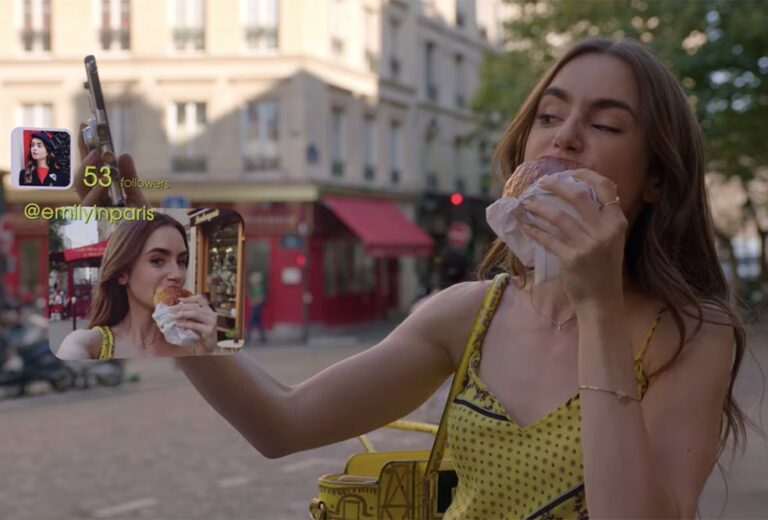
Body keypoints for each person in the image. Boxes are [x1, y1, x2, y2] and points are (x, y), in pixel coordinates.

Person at [75, 37, 750, 518]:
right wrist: (155, 281)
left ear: (657, 178)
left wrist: (597, 306)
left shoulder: (692, 334)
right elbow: (281, 423)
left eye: (604, 124)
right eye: (549, 115)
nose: (563, 138)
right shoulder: (469, 314)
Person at [56, 213, 224, 360]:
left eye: (181, 261)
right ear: (123, 273)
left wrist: (210, 351)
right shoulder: (89, 345)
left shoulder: (193, 343)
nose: (177, 275)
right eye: (157, 260)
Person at [247, 271, 268, 345]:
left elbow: (261, 298)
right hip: (254, 307)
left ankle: (248, 337)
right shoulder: (253, 287)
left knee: (251, 322)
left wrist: (254, 301)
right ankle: (263, 337)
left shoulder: (259, 287)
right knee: (259, 323)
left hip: (257, 307)